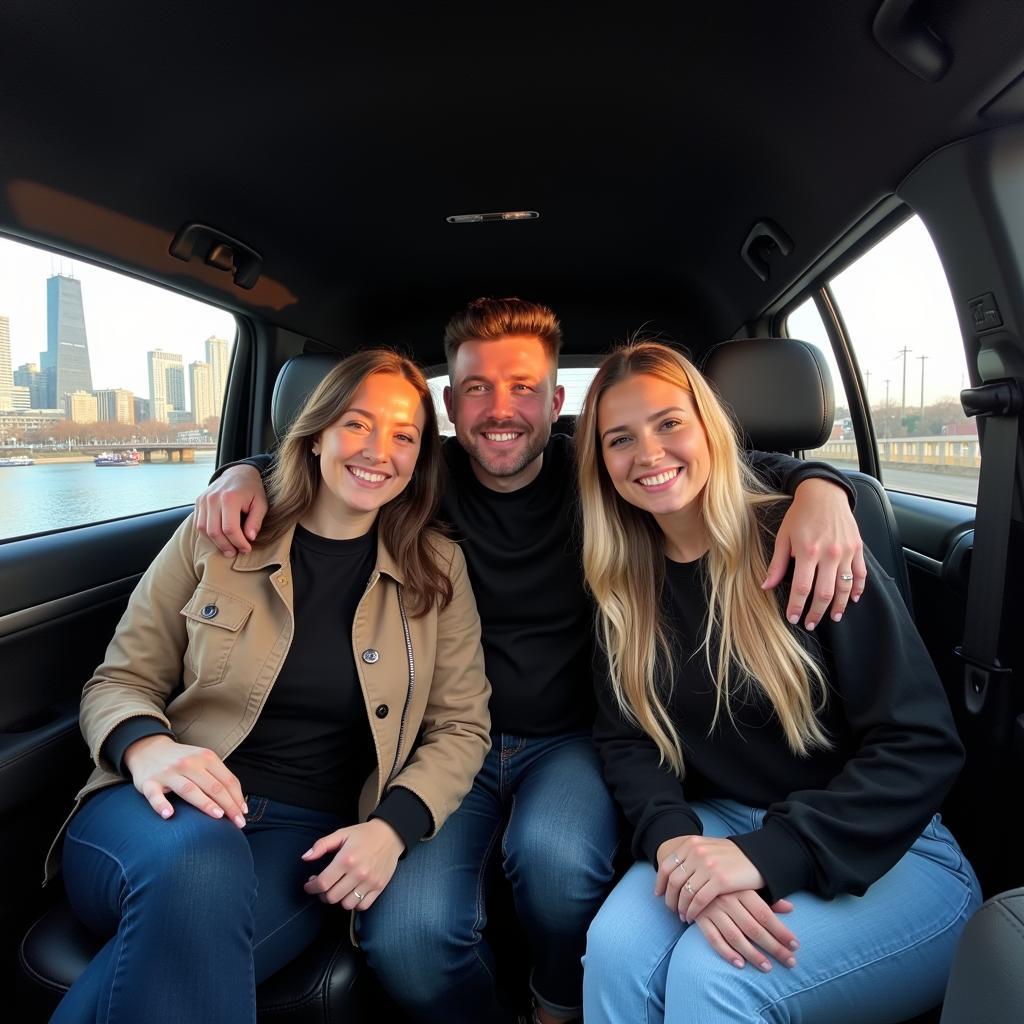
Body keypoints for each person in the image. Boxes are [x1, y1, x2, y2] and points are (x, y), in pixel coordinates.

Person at [196, 298, 867, 1024]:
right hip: (446, 746)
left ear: (556, 401)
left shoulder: (603, 469)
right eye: (478, 388)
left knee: (557, 860)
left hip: (572, 740)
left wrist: (820, 485)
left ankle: (556, 1002)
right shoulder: (419, 476)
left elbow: (705, 461)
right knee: (409, 942)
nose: (500, 409)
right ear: (450, 404)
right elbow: (328, 460)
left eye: (523, 388)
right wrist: (242, 472)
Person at [43, 350, 491, 1024]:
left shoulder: (438, 569)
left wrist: (393, 829)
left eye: (404, 435)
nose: (379, 451)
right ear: (314, 436)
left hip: (303, 840)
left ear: (421, 456)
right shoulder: (218, 534)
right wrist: (145, 748)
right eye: (357, 424)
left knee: (170, 960)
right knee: (201, 864)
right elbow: (120, 680)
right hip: (156, 813)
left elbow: (462, 727)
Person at [576, 341, 981, 1023]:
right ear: (601, 464)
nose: (648, 452)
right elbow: (627, 743)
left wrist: (767, 857)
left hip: (893, 845)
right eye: (620, 439)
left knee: (717, 976)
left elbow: (921, 745)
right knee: (614, 947)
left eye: (670, 423)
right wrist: (675, 841)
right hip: (725, 819)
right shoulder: (621, 582)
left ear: (709, 427)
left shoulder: (809, 546)